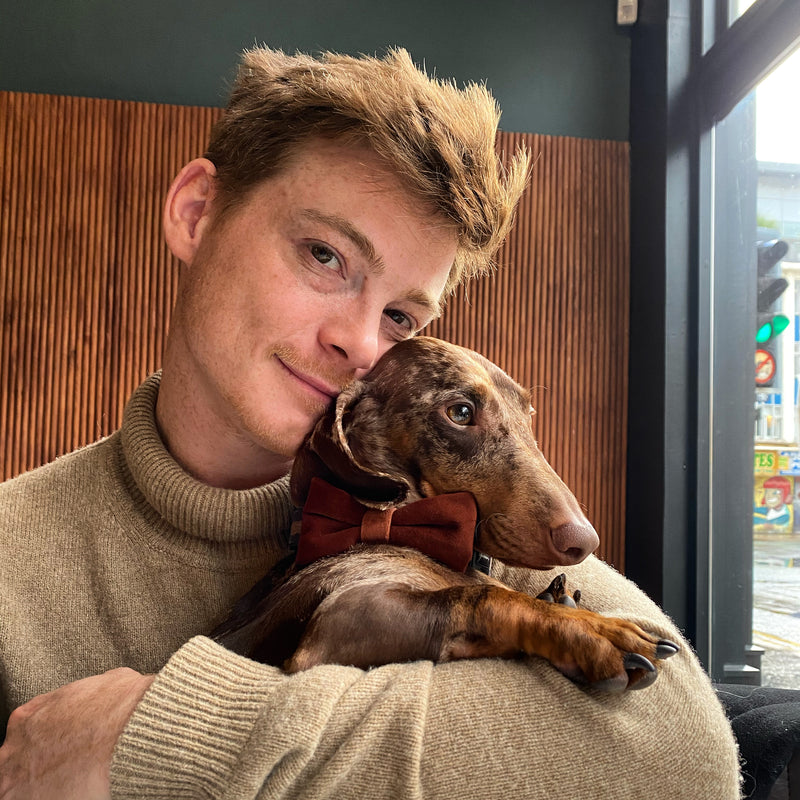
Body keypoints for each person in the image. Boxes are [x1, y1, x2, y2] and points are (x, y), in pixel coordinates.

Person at [0, 46, 740, 799]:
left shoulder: (461, 522)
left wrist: (160, 737)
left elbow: (687, 761)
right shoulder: (10, 552)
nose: (358, 341)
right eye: (325, 255)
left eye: (400, 315)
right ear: (196, 213)